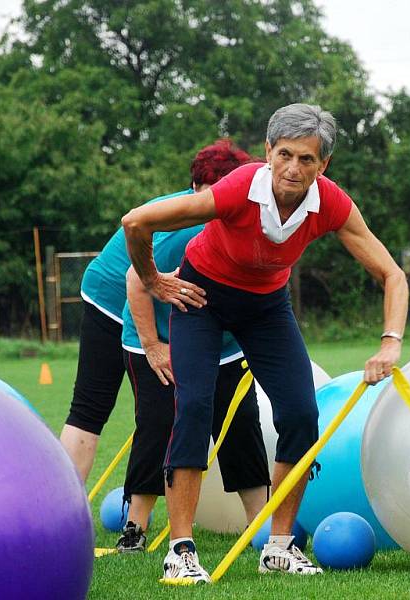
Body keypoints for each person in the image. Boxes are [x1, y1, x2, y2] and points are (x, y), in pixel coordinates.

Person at [122, 103, 408, 583]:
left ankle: (279, 546)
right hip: (203, 299)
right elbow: (136, 222)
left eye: (307, 160)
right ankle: (181, 550)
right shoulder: (237, 189)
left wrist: (390, 342)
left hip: (267, 308)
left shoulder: (332, 204)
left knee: (300, 413)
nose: (293, 169)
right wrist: (154, 280)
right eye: (285, 155)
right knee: (193, 406)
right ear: (269, 153)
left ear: (324, 166)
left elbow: (392, 274)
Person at [58, 141, 267, 486]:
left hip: (145, 295)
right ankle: (64, 506)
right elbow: (137, 280)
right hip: (108, 300)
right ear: (198, 187)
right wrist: (151, 345)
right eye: (211, 190)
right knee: (90, 406)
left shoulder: (224, 218)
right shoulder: (189, 224)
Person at [116, 142, 270, 553]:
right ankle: (135, 528)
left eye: (219, 190)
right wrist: (152, 347)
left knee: (241, 428)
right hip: (157, 340)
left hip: (225, 344)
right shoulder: (180, 228)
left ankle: (264, 529)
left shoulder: (252, 220)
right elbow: (136, 279)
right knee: (159, 425)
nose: (210, 200)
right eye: (204, 190)